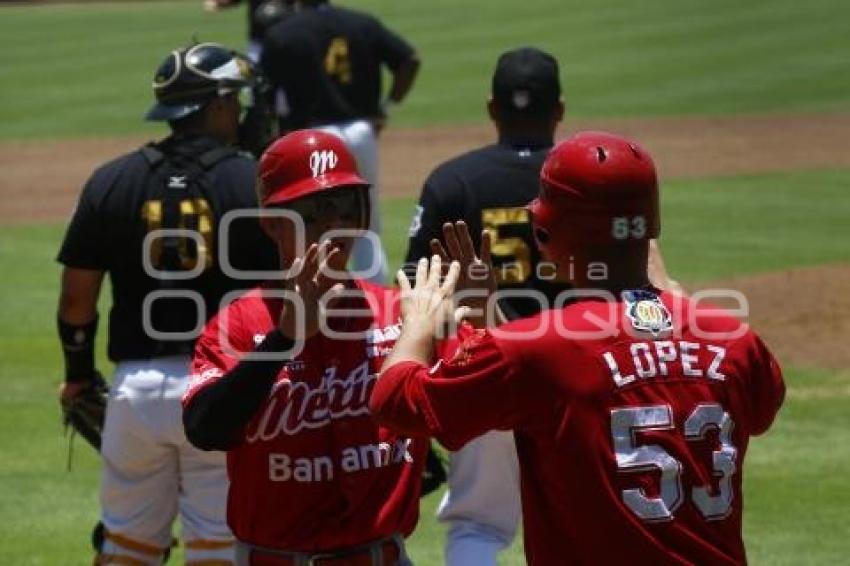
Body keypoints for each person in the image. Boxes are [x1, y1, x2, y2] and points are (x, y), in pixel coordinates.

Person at [371, 131, 785, 565]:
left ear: (549, 231)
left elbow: (396, 403)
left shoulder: (534, 349)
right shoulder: (734, 340)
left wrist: (418, 323)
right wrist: (673, 304)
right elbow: (759, 407)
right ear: (650, 226)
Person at [183, 129, 466, 565]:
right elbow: (205, 429)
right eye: (315, 211)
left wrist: (483, 314)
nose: (336, 226)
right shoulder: (239, 324)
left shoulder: (400, 316)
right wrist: (284, 340)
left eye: (347, 206)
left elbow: (487, 402)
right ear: (272, 223)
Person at [56, 42, 277, 565]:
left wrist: (79, 374)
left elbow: (76, 296)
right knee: (220, 546)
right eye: (237, 101)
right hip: (224, 385)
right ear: (218, 104)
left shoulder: (113, 180)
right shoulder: (253, 183)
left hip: (136, 393)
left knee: (127, 544)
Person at [403, 46, 563, 566]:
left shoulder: (454, 181)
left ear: (492, 108)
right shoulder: (581, 181)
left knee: (478, 524)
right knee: (582, 517)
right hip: (577, 371)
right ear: (558, 110)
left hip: (482, 365)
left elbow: (416, 286)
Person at [260, 0, 421, 283]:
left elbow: (267, 98)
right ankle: (377, 306)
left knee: (311, 224)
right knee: (365, 226)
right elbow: (409, 59)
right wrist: (387, 105)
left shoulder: (282, 33)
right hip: (361, 132)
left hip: (309, 144)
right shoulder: (360, 22)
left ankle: (312, 293)